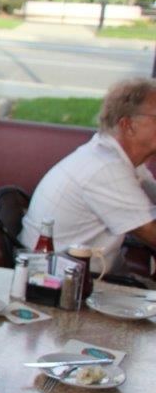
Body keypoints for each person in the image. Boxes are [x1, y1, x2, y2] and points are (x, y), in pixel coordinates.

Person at [20, 78, 156, 273]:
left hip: (77, 271)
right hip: (59, 280)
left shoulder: (111, 156)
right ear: (128, 125)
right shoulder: (106, 168)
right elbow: (151, 232)